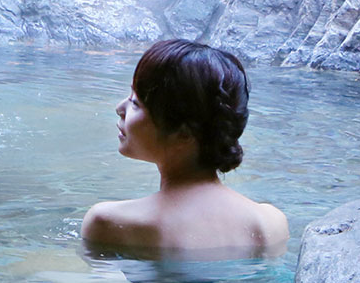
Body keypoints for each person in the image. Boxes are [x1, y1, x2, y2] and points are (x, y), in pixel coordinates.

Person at [81, 39, 288, 258]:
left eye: (135, 103)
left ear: (184, 134)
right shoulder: (269, 224)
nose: (119, 108)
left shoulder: (110, 224)